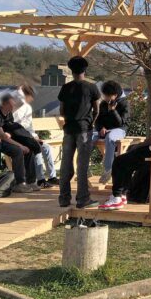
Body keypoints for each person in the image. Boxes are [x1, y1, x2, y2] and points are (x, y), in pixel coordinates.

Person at [100, 88, 151, 210]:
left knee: (119, 161)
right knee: (127, 160)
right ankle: (122, 194)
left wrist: (138, 146)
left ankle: (117, 197)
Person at [57, 56, 100, 209]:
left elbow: (61, 110)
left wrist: (69, 119)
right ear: (85, 69)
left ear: (71, 70)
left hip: (69, 129)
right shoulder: (91, 87)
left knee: (65, 164)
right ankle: (83, 199)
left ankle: (64, 198)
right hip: (84, 129)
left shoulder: (65, 88)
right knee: (82, 165)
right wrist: (91, 123)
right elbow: (96, 110)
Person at [0, 93, 39, 192]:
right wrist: (20, 146)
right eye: (11, 104)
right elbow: (2, 136)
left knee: (29, 149)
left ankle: (30, 182)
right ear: (4, 104)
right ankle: (19, 183)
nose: (13, 106)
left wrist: (24, 142)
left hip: (5, 139)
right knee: (18, 151)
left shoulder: (8, 113)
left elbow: (9, 131)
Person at [13, 83, 58, 186]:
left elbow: (29, 126)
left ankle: (52, 177)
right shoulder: (13, 107)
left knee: (46, 147)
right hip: (17, 137)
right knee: (36, 148)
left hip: (28, 137)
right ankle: (40, 179)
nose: (31, 99)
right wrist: (20, 89)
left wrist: (36, 137)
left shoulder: (27, 108)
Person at [94, 81, 129, 184]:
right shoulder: (103, 103)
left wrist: (113, 111)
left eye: (107, 95)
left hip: (119, 130)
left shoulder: (125, 103)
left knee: (110, 138)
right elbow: (97, 120)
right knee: (88, 137)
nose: (105, 97)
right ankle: (84, 169)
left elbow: (121, 123)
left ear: (115, 95)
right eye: (104, 95)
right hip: (105, 130)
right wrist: (101, 128)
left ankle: (108, 169)